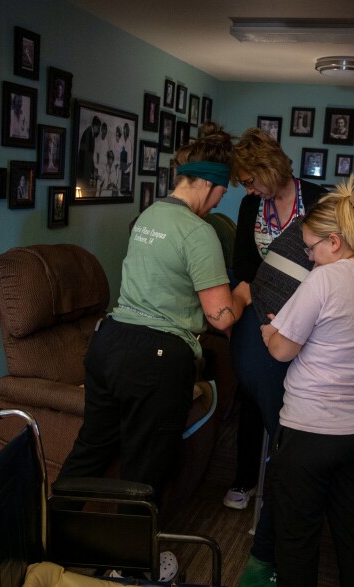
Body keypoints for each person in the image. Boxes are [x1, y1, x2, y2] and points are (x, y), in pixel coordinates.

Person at [56, 120, 251, 530]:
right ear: (209, 185)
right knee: (145, 470)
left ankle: (52, 535)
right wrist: (244, 293)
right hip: (156, 359)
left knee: (90, 449)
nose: (218, 203)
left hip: (108, 343)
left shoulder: (148, 214)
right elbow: (222, 317)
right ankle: (129, 562)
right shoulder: (199, 233)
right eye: (221, 193)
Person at [233, 176, 354, 587]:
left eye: (310, 248)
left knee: (297, 540)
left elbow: (280, 350)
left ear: (334, 240)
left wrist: (272, 330)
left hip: (313, 433)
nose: (308, 258)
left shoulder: (324, 281)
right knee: (353, 532)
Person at [226, 127, 329, 515]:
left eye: (251, 181)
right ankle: (248, 475)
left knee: (296, 383)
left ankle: (294, 465)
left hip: (309, 308)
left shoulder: (319, 199)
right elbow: (243, 263)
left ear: (268, 168)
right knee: (253, 379)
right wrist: (265, 294)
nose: (248, 190)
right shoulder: (251, 206)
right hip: (259, 302)